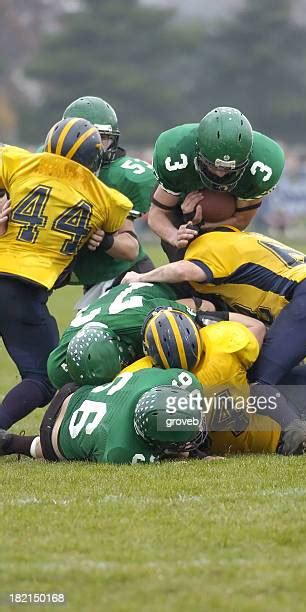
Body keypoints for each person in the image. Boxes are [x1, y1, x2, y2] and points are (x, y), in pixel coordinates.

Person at [122, 228, 306, 423]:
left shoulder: (210, 246)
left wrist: (142, 277)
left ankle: (294, 430)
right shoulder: (249, 244)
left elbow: (185, 269)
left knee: (260, 383)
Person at [0, 118, 133, 430]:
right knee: (43, 378)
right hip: (24, 292)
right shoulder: (106, 198)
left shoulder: (19, 161)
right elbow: (131, 248)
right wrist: (108, 240)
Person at [124, 308, 306, 455]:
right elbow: (257, 328)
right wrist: (209, 315)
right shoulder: (222, 342)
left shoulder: (143, 373)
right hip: (267, 432)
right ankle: (297, 422)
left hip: (207, 444)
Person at [148, 106, 285, 262]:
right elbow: (157, 214)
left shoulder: (261, 167)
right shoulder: (178, 152)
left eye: (230, 169)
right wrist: (175, 236)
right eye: (214, 165)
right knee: (184, 270)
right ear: (198, 152)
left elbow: (241, 220)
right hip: (179, 208)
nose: (221, 174)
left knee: (222, 270)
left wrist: (202, 226)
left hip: (223, 221)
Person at [60, 96, 157, 309]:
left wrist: (103, 240)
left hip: (121, 276)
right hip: (85, 274)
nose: (92, 148)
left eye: (100, 139)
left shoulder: (118, 176)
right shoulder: (46, 166)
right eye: (83, 138)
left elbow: (130, 248)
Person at [0, 368, 206, 464]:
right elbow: (169, 454)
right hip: (54, 434)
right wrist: (192, 454)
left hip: (74, 391)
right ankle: (12, 443)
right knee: (52, 448)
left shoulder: (161, 379)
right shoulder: (122, 450)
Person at [47, 281, 213, 389]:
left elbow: (204, 307)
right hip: (114, 300)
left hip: (158, 286)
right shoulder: (59, 365)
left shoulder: (142, 320)